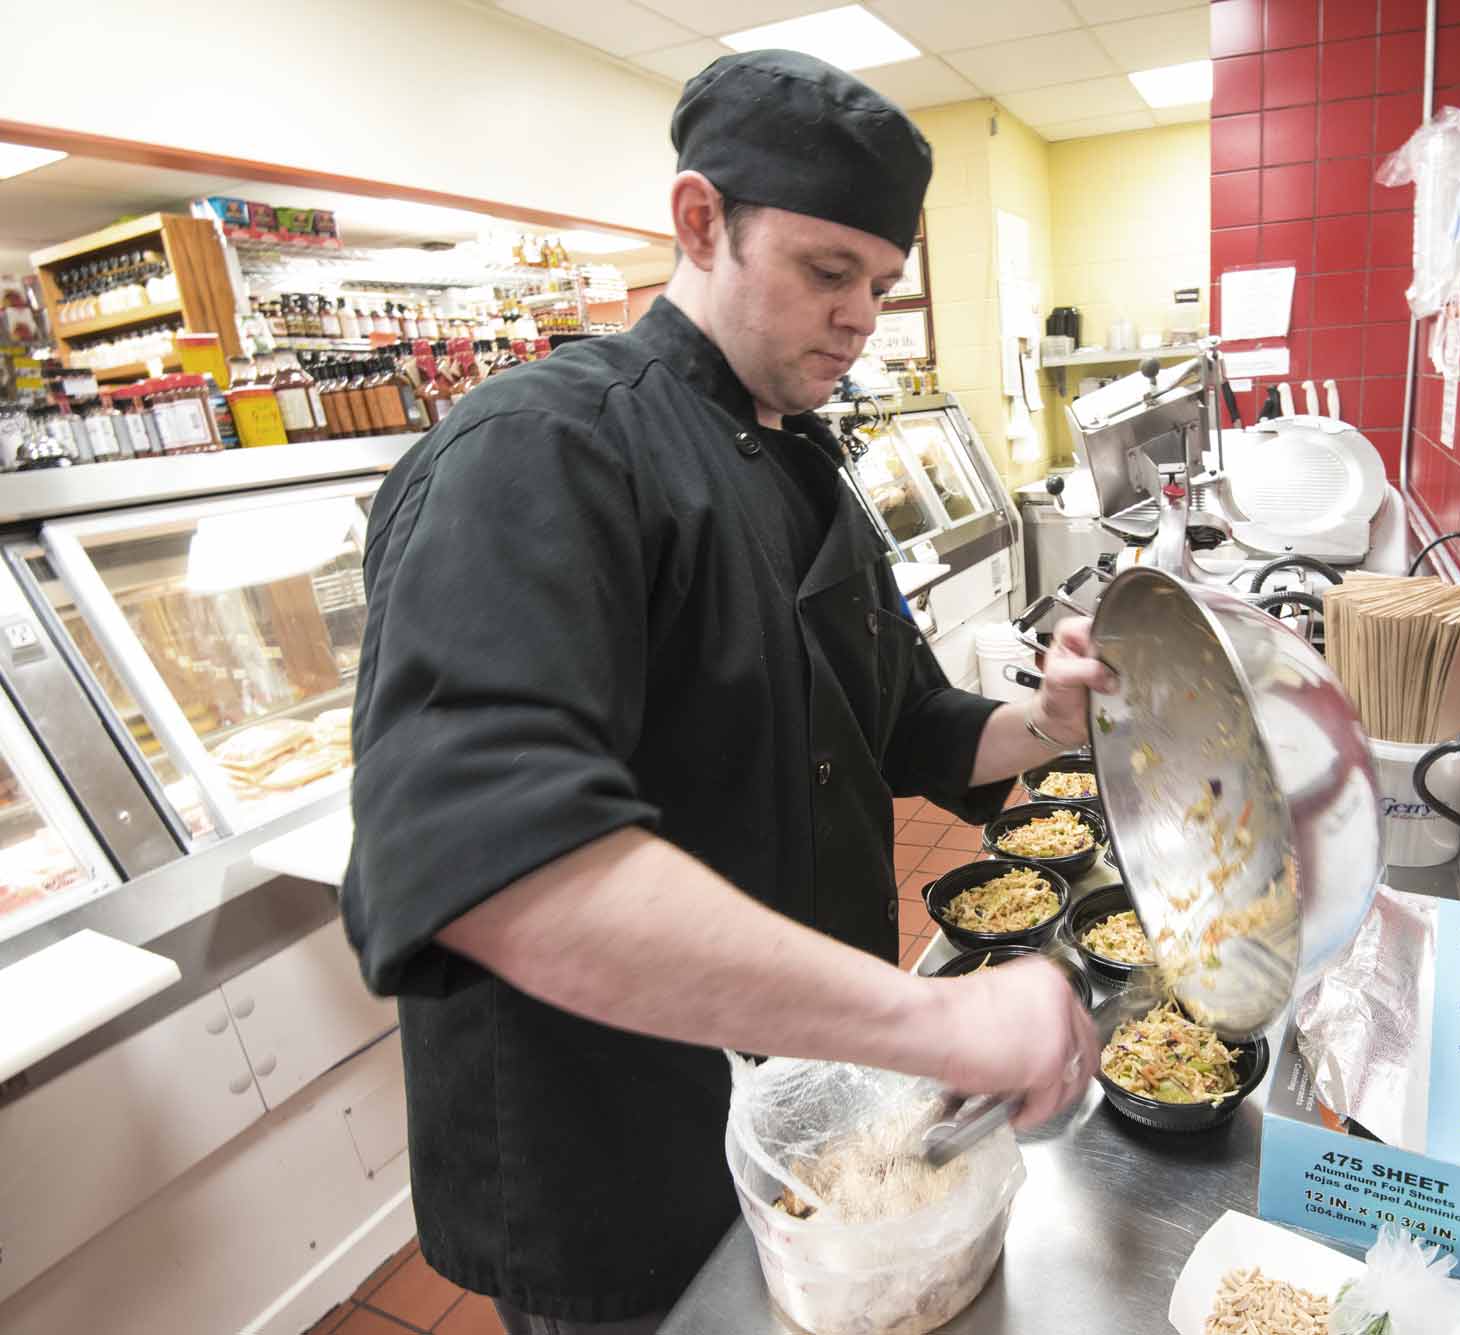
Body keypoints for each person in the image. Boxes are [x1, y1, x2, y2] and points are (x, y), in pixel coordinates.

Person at [341, 50, 1114, 1335]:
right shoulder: (544, 449)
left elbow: (906, 727)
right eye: (827, 273)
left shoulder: (804, 463)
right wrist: (934, 1022)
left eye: (878, 283)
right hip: (618, 1144)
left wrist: (1049, 722)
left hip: (804, 1106)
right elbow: (493, 863)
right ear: (700, 223)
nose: (862, 316)